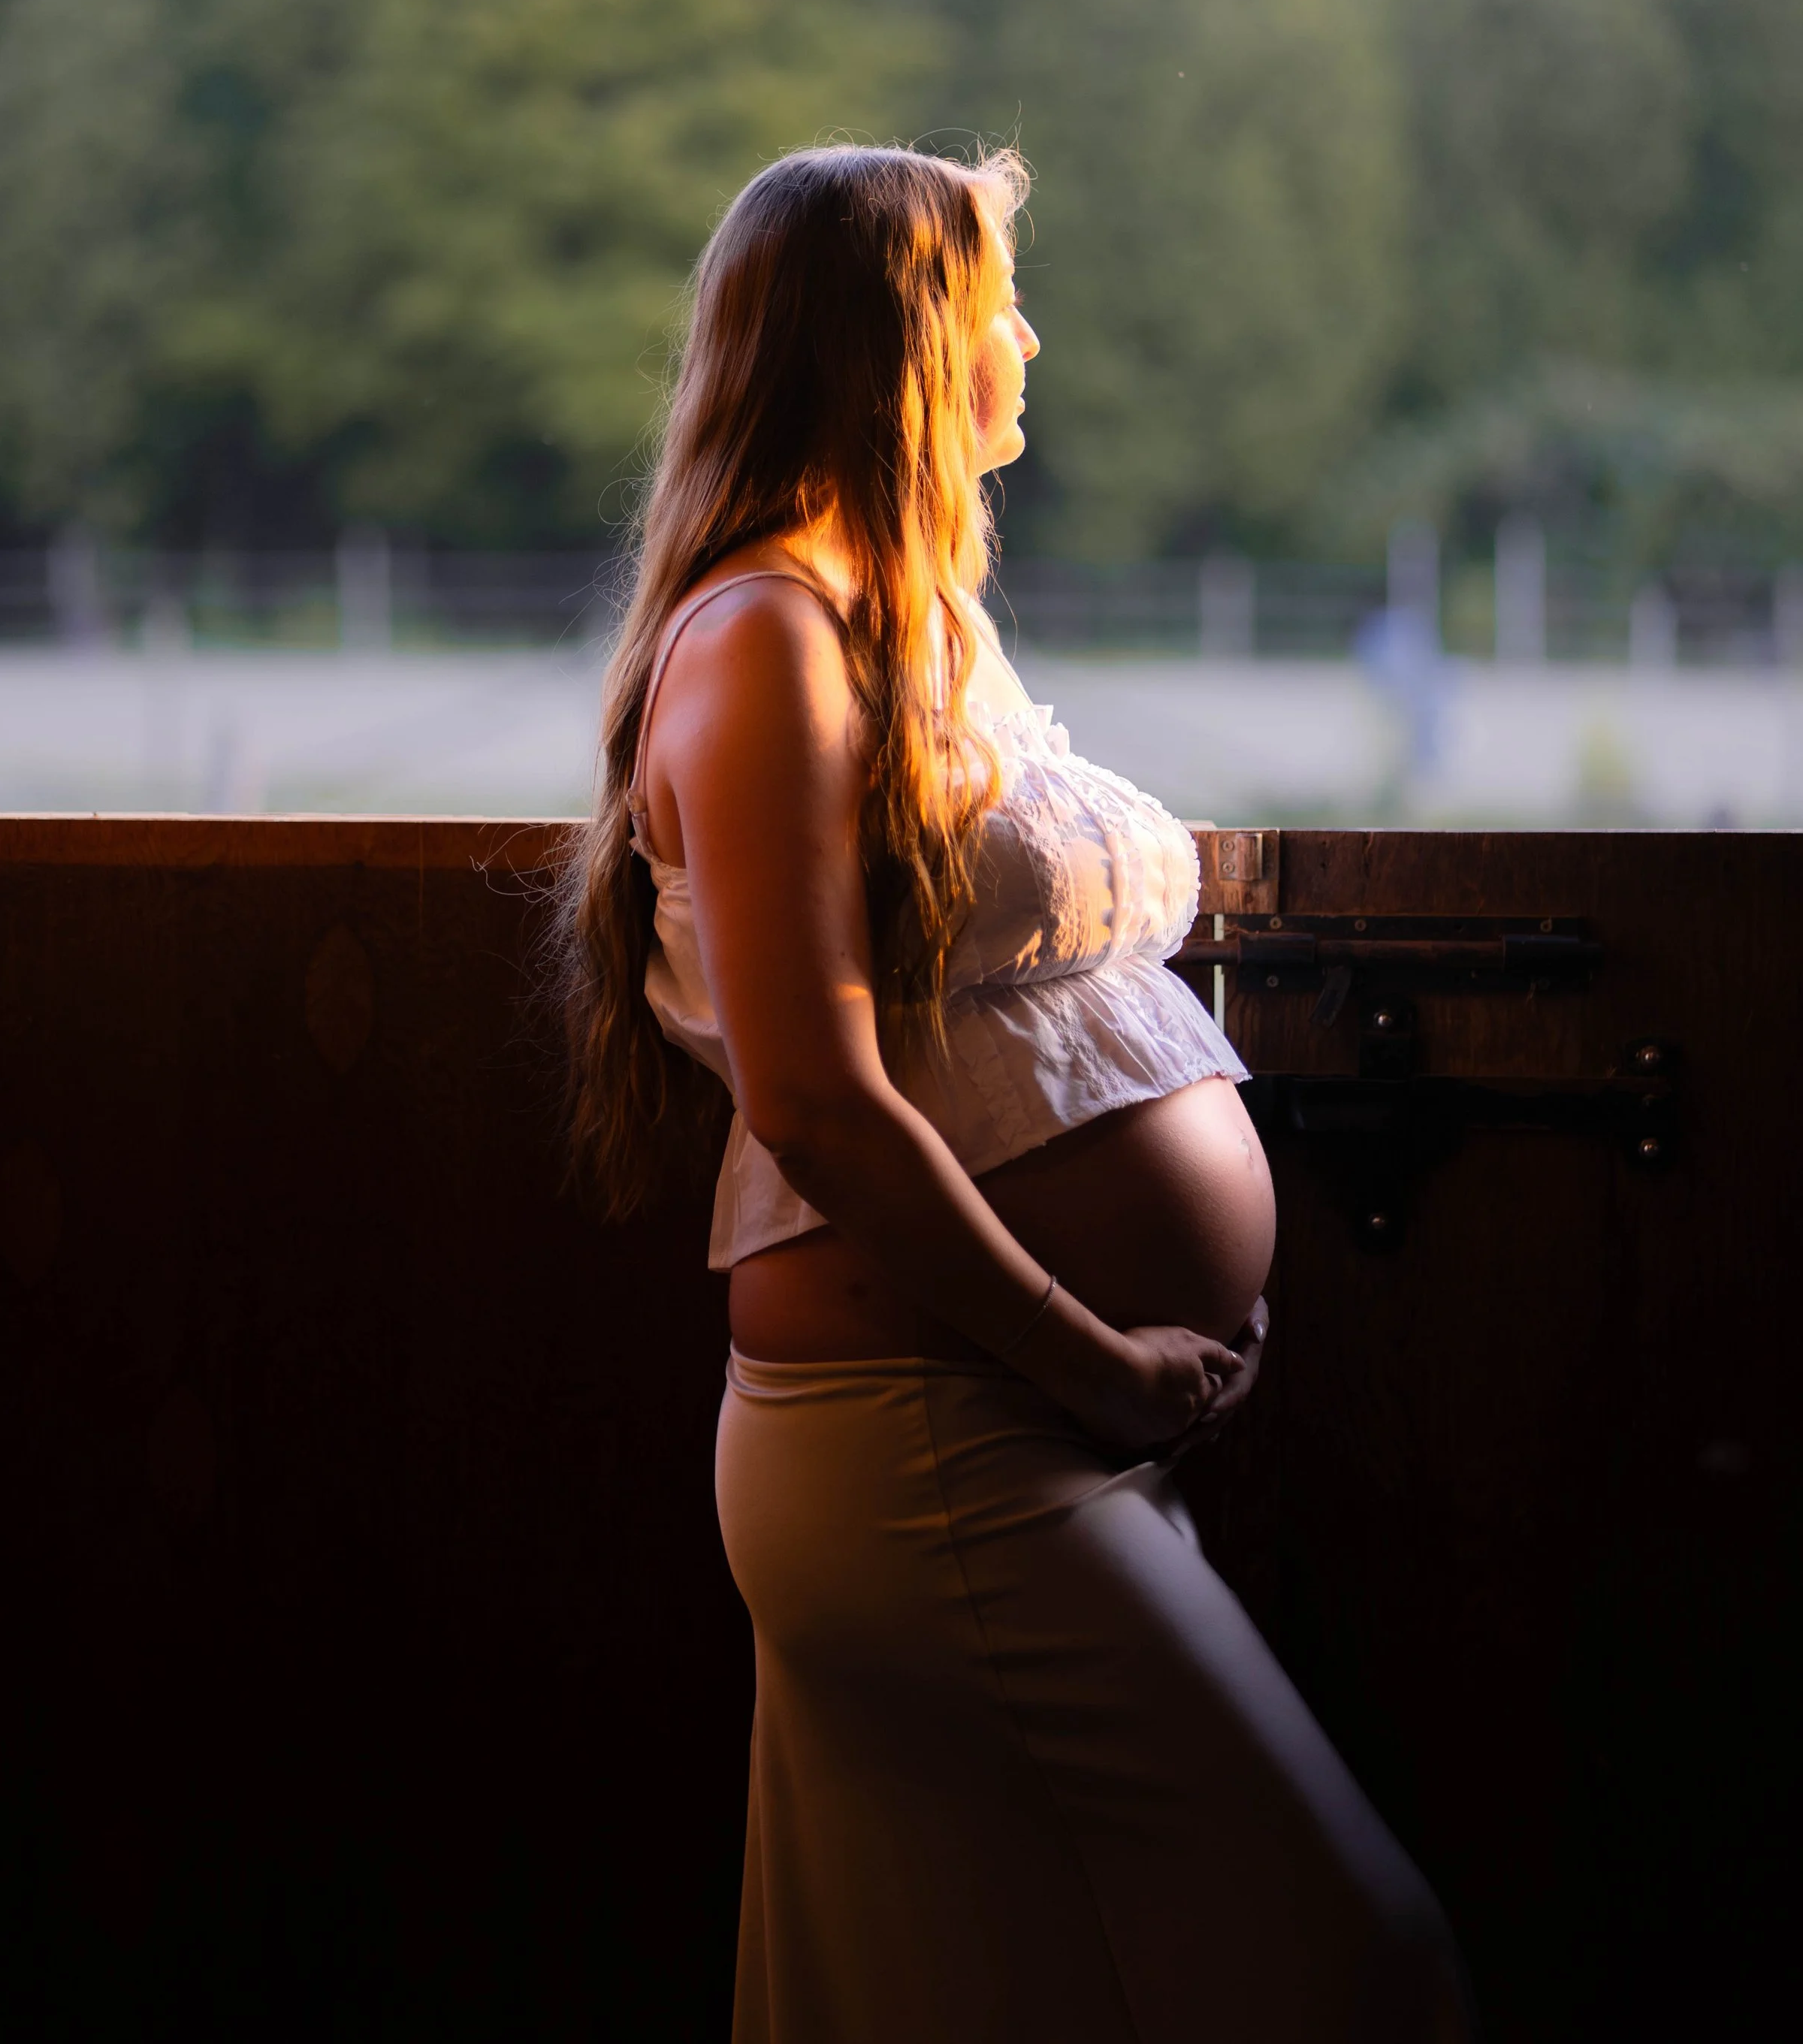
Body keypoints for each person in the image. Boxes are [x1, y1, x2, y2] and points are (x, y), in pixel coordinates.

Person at [554, 146, 1469, 2042]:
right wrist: (1095, 1356)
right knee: (1353, 1969)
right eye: (993, 305)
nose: (1028, 340)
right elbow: (813, 1102)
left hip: (993, 1427)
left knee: (966, 1995)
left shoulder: (911, 632)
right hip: (927, 1444)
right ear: (896, 349)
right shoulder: (764, 652)